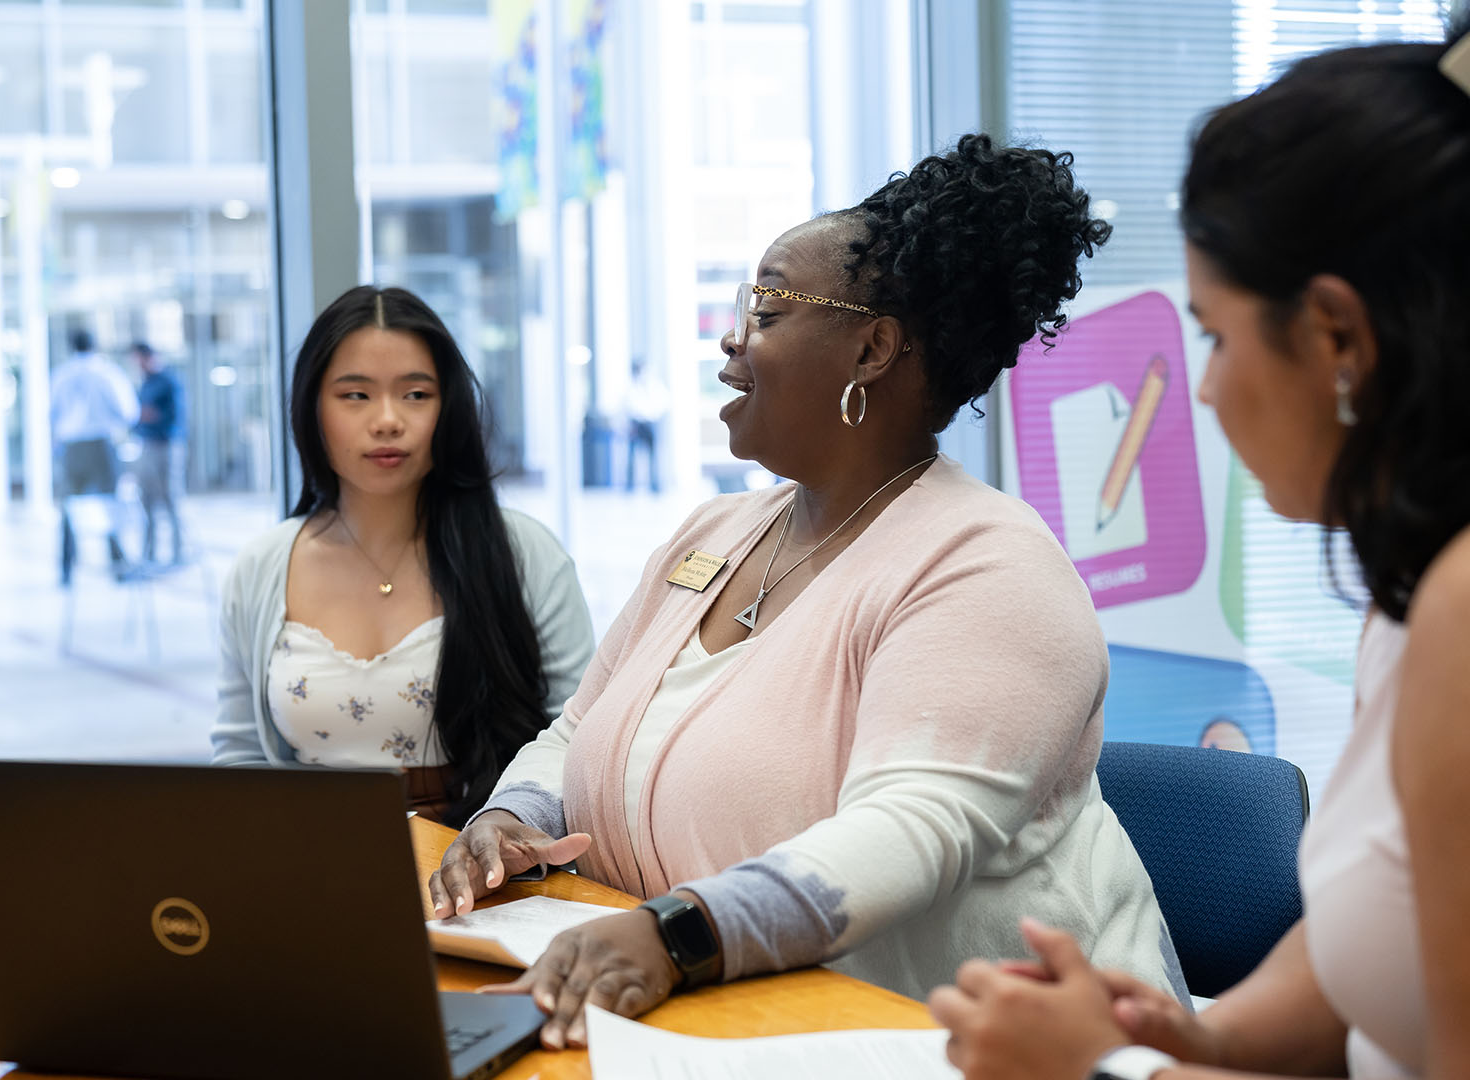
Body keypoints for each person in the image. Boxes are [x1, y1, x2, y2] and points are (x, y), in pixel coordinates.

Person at [427, 134, 1180, 1050]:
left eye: (769, 308)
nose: (731, 337)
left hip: (988, 1049)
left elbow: (904, 836)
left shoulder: (989, 567)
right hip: (724, 1020)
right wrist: (510, 819)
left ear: (873, 348)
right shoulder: (714, 533)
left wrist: (677, 934)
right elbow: (582, 729)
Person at [931, 29, 1470, 1080]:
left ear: (1339, 339)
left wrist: (1108, 1070)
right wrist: (1201, 1034)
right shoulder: (1411, 596)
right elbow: (1391, 926)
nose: (1207, 389)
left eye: (1217, 337)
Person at [212, 285, 595, 825]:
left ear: (449, 407)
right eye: (355, 395)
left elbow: (579, 731)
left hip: (484, 860)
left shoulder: (523, 553)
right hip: (308, 858)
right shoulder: (262, 567)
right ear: (312, 407)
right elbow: (240, 755)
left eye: (416, 394)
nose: (387, 420)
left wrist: (513, 829)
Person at [50, 329, 137, 585]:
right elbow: (128, 411)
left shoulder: (62, 375)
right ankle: (118, 564)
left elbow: (51, 413)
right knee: (110, 503)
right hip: (102, 443)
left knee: (69, 507)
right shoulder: (107, 373)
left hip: (71, 447)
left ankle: (66, 569)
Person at [129, 342, 184, 565]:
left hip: (167, 446)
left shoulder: (169, 381)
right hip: (147, 445)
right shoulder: (146, 384)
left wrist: (149, 415)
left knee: (171, 499)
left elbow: (174, 417)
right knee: (146, 501)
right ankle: (149, 554)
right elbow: (137, 416)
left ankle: (177, 553)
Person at [623, 358, 667, 493]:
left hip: (651, 423)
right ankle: (630, 486)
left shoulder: (654, 385)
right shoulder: (630, 386)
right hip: (636, 424)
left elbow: (663, 402)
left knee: (654, 456)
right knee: (632, 456)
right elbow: (627, 406)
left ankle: (655, 485)